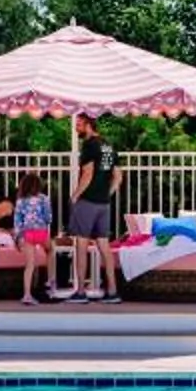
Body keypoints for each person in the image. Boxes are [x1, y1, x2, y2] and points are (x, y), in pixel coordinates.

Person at [68, 115, 119, 301]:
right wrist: (105, 193)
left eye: (79, 125)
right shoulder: (108, 145)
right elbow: (118, 177)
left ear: (88, 125)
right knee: (104, 246)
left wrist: (75, 196)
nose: (76, 129)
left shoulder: (89, 145)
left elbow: (87, 174)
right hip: (104, 204)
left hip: (88, 202)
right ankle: (113, 291)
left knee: (81, 244)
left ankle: (80, 291)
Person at [8, 169, 56, 305]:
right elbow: (48, 218)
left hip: (27, 233)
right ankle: (50, 281)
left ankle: (27, 295)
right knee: (51, 250)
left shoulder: (20, 201)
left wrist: (18, 237)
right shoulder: (44, 198)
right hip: (41, 231)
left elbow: (17, 221)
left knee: (30, 264)